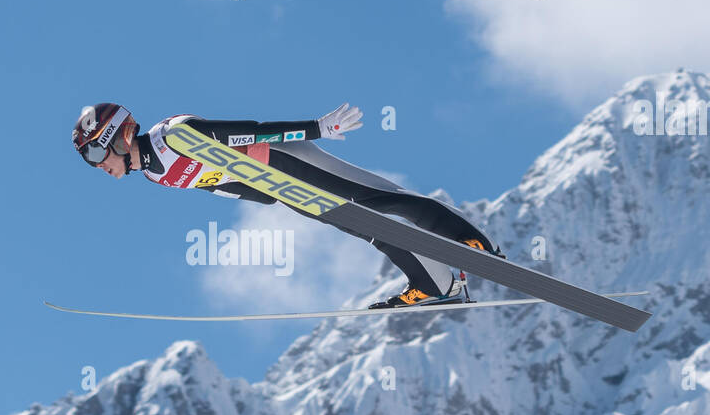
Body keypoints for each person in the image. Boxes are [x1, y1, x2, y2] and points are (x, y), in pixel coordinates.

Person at [71, 102, 505, 308]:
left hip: (282, 159)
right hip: (279, 186)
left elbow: (247, 132)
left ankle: (471, 243)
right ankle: (438, 285)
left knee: (378, 200)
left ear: (118, 136)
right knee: (372, 228)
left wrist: (313, 128)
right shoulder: (154, 173)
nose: (97, 166)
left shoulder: (174, 136)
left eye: (94, 154)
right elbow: (218, 185)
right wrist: (272, 195)